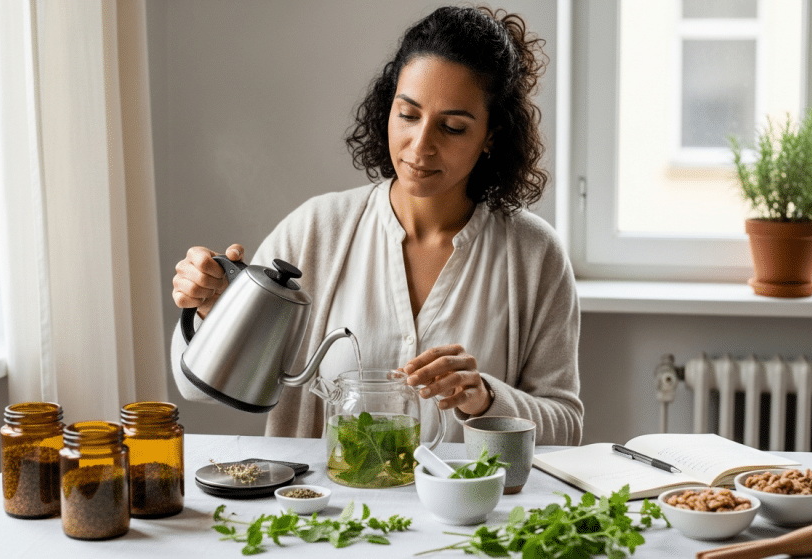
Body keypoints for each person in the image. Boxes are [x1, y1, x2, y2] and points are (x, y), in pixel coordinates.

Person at [169, 5, 583, 446]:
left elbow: (568, 427)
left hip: (473, 515)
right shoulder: (316, 232)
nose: (421, 145)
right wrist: (210, 310)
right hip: (326, 513)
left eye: (454, 127)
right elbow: (195, 388)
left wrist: (485, 399)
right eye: (408, 115)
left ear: (492, 136)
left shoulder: (534, 255)